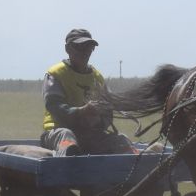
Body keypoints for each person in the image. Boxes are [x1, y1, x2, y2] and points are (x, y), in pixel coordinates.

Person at [40, 28, 134, 156]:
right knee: (67, 138)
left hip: (89, 135)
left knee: (121, 140)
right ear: (68, 49)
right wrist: (82, 111)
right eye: (80, 47)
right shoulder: (56, 73)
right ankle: (68, 170)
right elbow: (54, 106)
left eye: (89, 47)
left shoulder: (97, 77)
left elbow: (107, 112)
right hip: (57, 132)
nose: (85, 52)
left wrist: (99, 120)